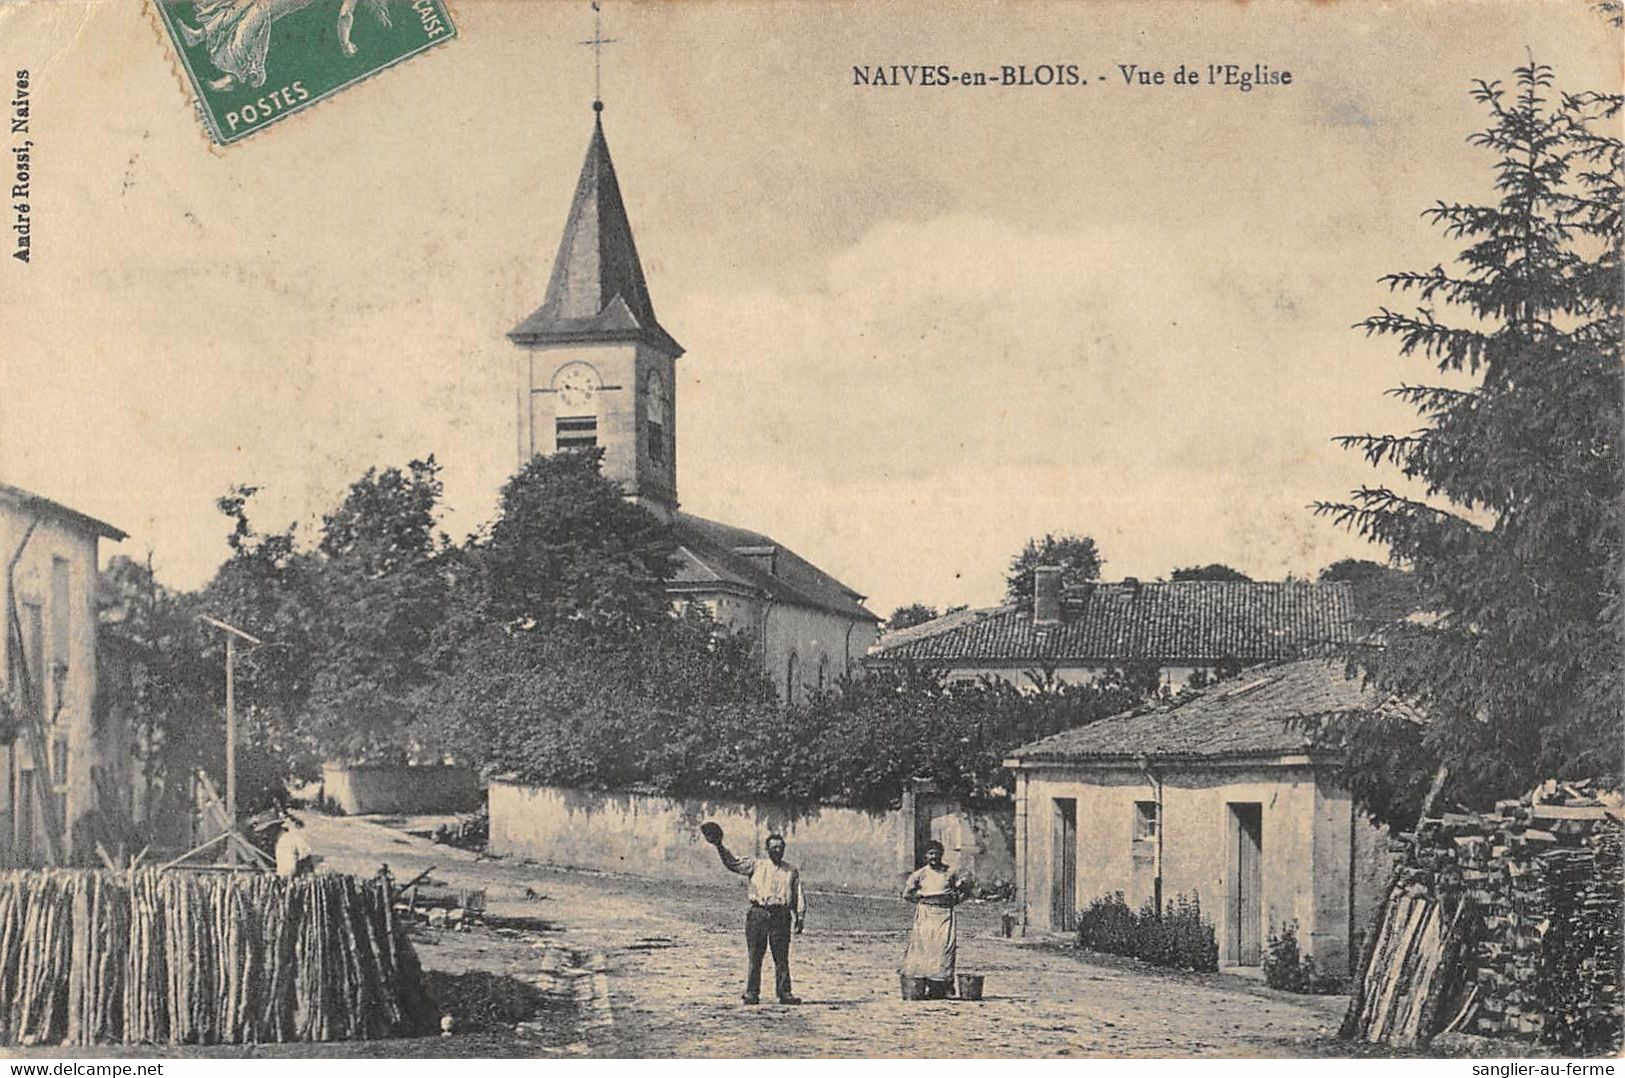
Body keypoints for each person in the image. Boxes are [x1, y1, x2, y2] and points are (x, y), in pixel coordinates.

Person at [706, 829, 805, 1005]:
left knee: (781, 957)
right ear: (767, 850)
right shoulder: (756, 865)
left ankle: (784, 993)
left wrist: (800, 917)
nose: (777, 851)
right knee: (755, 955)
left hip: (781, 916)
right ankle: (752, 993)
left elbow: (798, 895)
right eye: (774, 848)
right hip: (758, 914)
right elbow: (733, 863)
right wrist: (719, 845)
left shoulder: (791, 871)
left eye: (780, 847)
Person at [900, 840, 964, 999]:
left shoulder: (950, 872)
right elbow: (907, 894)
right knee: (925, 949)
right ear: (925, 856)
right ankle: (926, 985)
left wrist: (955, 899)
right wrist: (922, 899)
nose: (933, 857)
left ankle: (945, 985)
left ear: (942, 854)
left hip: (945, 914)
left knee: (944, 948)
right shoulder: (920, 874)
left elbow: (964, 890)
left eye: (936, 853)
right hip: (926, 914)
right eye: (930, 853)